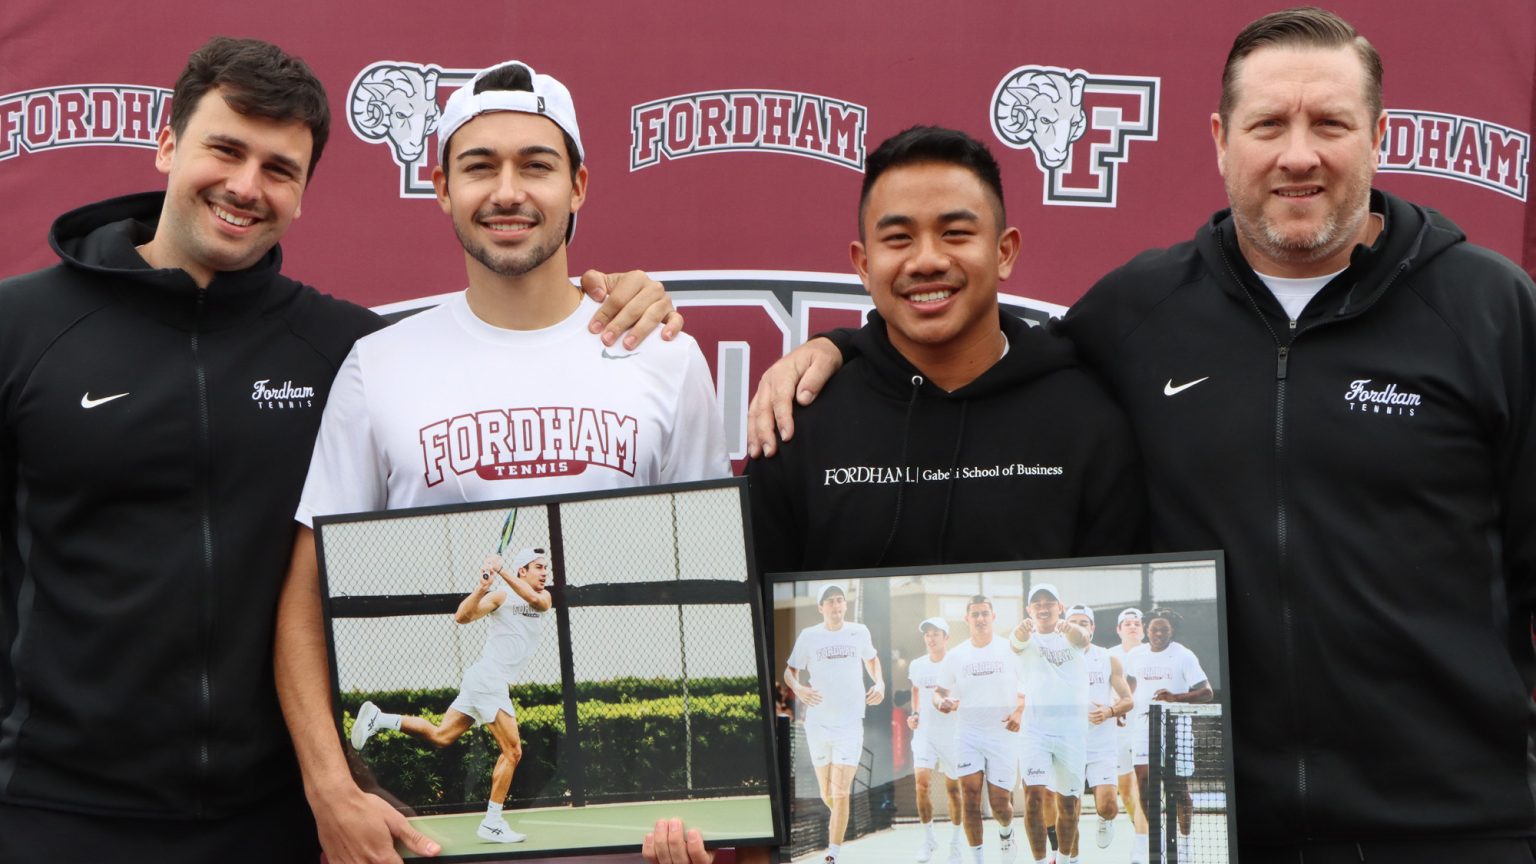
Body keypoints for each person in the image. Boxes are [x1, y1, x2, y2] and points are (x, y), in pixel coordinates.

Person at [747, 7, 1536, 859]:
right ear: (1220, 139)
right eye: (1268, 123)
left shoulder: (1491, 311)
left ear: (1376, 135)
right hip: (1234, 832)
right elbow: (970, 338)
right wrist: (843, 347)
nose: (1298, 153)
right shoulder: (1138, 312)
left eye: (1330, 124)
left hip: (1457, 828)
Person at [271, 58, 729, 864]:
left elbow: (701, 570)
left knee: (483, 740)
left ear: (580, 185)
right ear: (442, 187)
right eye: (479, 167)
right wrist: (328, 788)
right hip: (423, 847)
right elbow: (307, 599)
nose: (508, 191)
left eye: (537, 165)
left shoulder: (663, 358)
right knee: (481, 743)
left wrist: (712, 800)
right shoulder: (380, 364)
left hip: (631, 844)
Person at [746, 125, 1143, 574]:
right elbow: (751, 621)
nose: (927, 260)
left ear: (1004, 252)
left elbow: (1117, 624)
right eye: (898, 238)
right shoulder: (800, 422)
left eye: (955, 233)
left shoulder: (1087, 423)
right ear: (863, 263)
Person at [351, 547, 553, 844]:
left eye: (546, 567)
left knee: (441, 736)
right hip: (488, 679)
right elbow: (462, 617)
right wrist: (482, 587)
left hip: (484, 681)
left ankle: (381, 719)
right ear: (524, 570)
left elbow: (536, 601)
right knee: (513, 752)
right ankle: (493, 823)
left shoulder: (543, 597)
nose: (545, 572)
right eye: (538, 567)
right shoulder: (500, 597)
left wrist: (501, 571)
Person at [784, 584, 884, 864]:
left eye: (840, 600)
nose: (837, 606)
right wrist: (799, 689)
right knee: (827, 793)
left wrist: (881, 683)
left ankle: (832, 853)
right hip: (817, 725)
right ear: (821, 607)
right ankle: (838, 816)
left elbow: (872, 659)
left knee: (840, 791)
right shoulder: (809, 636)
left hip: (850, 725)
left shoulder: (859, 632)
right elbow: (790, 671)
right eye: (830, 602)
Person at [933, 595, 1025, 864]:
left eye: (985, 613)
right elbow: (938, 693)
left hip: (1002, 734)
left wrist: (1019, 711)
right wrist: (942, 703)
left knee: (1000, 805)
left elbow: (1028, 686)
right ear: (967, 619)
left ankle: (1006, 834)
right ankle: (978, 859)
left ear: (993, 616)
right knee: (970, 799)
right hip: (968, 735)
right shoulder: (956, 655)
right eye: (975, 614)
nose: (980, 618)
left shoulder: (1010, 650)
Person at [1009, 584, 1090, 864]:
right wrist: (1021, 631)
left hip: (1072, 733)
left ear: (1060, 606)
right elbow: (1016, 642)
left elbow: (1083, 639)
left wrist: (1068, 628)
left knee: (1068, 804)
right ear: (1029, 609)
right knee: (1034, 798)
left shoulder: (1072, 634)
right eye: (1037, 603)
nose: (1043, 607)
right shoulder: (1024, 636)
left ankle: (1067, 859)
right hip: (1035, 731)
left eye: (1049, 602)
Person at [1124, 608, 1211, 861]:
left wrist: (1176, 698)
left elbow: (1206, 692)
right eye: (1154, 628)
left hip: (1177, 726)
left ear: (1172, 630)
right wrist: (1124, 703)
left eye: (1164, 629)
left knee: (1178, 788)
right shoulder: (1136, 655)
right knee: (1143, 783)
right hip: (1143, 725)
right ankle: (1157, 841)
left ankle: (1184, 846)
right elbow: (1130, 683)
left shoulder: (1184, 656)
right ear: (1146, 629)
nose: (1159, 633)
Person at [1065, 604, 1133, 864]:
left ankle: (1105, 821)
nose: (1079, 626)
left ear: (1092, 627)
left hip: (1101, 745)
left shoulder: (1108, 658)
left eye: (1084, 622)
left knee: (1108, 806)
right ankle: (1073, 859)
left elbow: (1127, 700)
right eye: (1073, 621)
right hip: (1067, 745)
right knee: (1069, 809)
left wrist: (1109, 711)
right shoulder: (1053, 658)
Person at [907, 616, 964, 864]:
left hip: (952, 735)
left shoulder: (957, 663)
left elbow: (967, 695)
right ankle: (928, 840)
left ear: (946, 638)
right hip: (924, 735)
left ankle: (955, 843)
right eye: (927, 634)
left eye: (936, 634)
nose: (931, 638)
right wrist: (915, 714)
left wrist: (954, 706)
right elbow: (916, 691)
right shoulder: (917, 665)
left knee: (953, 790)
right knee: (921, 784)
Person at [1110, 609, 1148, 863]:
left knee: (1143, 788)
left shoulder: (1153, 651)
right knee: (1125, 791)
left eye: (1136, 623)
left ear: (1143, 629)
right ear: (1118, 629)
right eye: (1127, 623)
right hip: (1118, 731)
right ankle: (1141, 830)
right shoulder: (1109, 655)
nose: (1132, 626)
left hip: (1145, 729)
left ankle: (1142, 844)